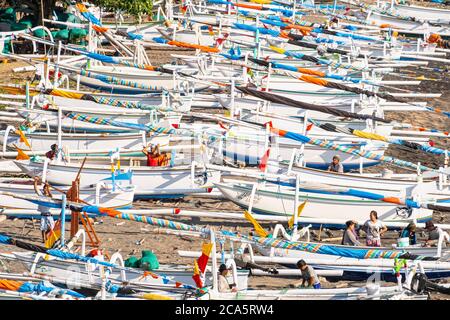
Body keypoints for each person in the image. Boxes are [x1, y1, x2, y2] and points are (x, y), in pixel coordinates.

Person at [33, 177, 55, 243]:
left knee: (52, 227)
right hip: (43, 215)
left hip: (49, 214)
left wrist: (47, 186)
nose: (45, 190)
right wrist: (35, 181)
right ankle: (43, 239)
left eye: (46, 189)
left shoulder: (49, 196)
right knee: (42, 227)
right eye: (44, 188)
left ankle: (46, 234)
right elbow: (35, 188)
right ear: (43, 189)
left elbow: (50, 195)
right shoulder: (41, 195)